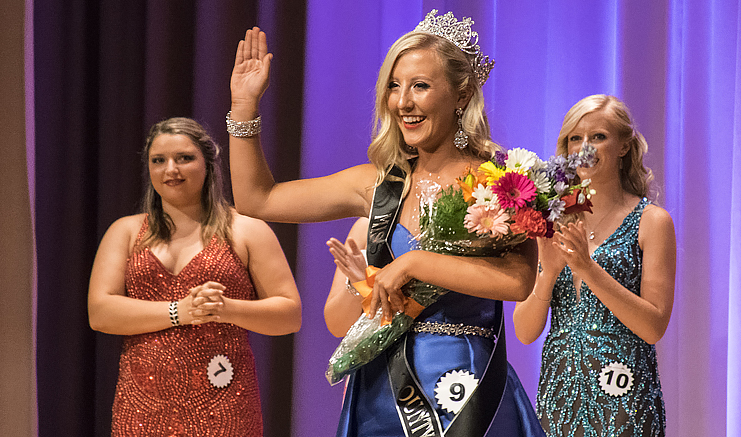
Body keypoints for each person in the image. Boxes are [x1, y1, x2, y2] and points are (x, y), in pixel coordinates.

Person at [228, 10, 545, 437]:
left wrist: (414, 264)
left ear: (462, 93)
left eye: (420, 86)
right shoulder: (377, 184)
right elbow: (257, 198)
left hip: (467, 390)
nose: (402, 102)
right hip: (383, 398)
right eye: (394, 87)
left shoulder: (502, 180)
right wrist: (244, 107)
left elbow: (518, 282)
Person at [87, 117, 301, 437]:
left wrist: (225, 309)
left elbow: (290, 314)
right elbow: (100, 312)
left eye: (184, 158)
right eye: (158, 160)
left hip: (224, 402)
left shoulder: (246, 230)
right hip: (142, 406)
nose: (170, 169)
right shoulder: (126, 232)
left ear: (208, 163)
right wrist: (179, 311)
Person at [512, 95, 675, 437]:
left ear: (624, 147)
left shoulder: (652, 221)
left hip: (625, 396)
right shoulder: (548, 217)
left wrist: (588, 269)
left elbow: (653, 327)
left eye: (598, 137)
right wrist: (549, 273)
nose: (584, 147)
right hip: (560, 397)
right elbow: (525, 332)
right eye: (575, 138)